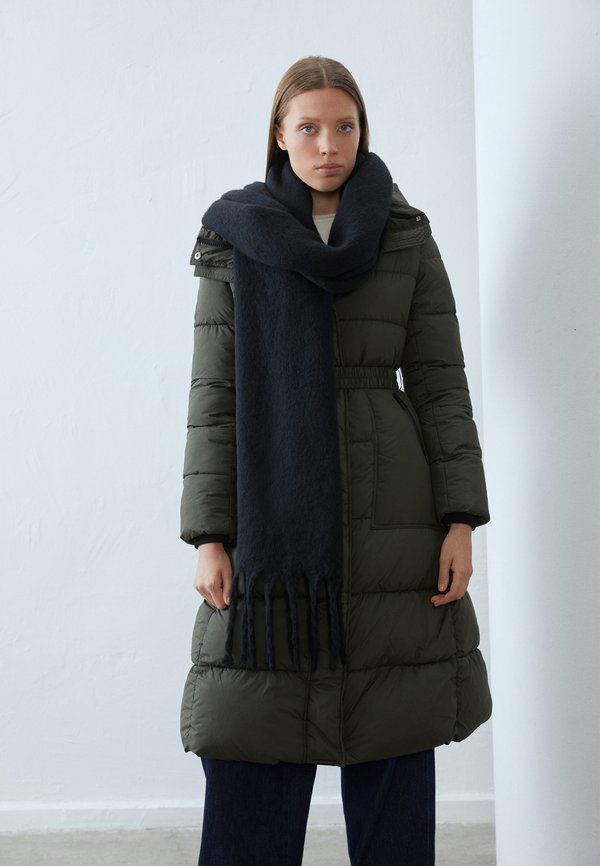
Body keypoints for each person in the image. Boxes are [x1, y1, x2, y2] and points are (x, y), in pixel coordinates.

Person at [179, 55, 492, 866]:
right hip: (269, 529)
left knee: (393, 735)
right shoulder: (236, 236)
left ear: (363, 131)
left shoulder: (404, 234)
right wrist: (210, 536)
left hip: (395, 522)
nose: (329, 144)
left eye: (345, 126)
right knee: (252, 737)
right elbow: (215, 397)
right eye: (310, 127)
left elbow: (439, 384)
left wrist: (460, 519)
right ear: (280, 135)